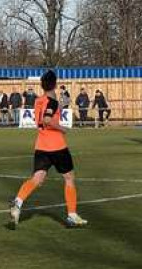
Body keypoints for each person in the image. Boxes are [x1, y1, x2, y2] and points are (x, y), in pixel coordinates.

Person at [9, 70, 87, 229]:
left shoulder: (38, 101)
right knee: (69, 178)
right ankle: (72, 214)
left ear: (42, 85)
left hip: (41, 145)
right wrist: (62, 128)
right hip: (57, 145)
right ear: (55, 84)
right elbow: (47, 120)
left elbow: (40, 119)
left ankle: (18, 202)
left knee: (37, 179)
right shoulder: (53, 101)